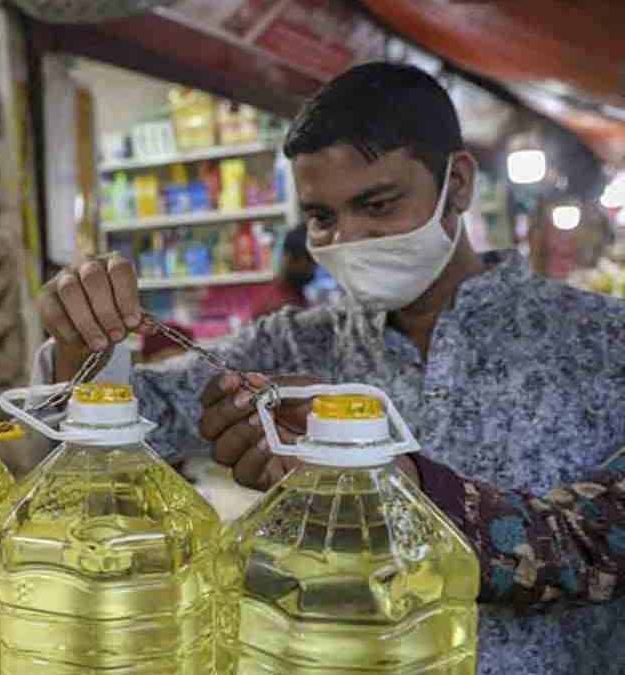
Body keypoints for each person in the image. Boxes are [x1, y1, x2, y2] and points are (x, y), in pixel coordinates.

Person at [33, 63, 625, 674]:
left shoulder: (603, 342)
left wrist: (385, 480)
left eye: (379, 204)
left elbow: (605, 539)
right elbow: (122, 418)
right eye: (322, 218)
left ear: (459, 183)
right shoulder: (292, 346)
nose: (350, 237)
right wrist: (85, 340)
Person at [248, 222, 315, 318]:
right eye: (309, 261)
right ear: (289, 258)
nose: (312, 269)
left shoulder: (294, 295)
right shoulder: (277, 306)